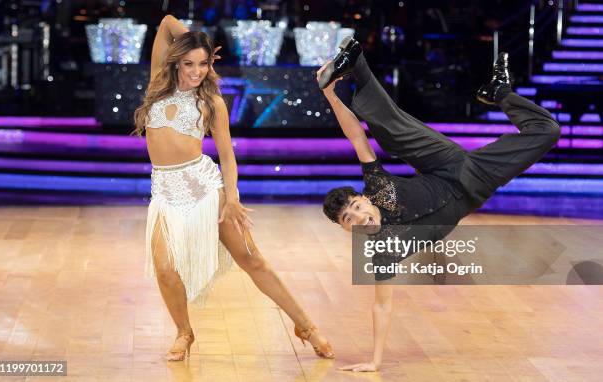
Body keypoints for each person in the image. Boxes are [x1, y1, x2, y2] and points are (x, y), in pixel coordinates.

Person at [318, 38, 561, 372]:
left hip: (446, 163)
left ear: (362, 199)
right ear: (346, 229)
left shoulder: (376, 186)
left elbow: (356, 137)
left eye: (355, 207)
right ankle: (499, 92)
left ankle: (354, 60)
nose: (358, 216)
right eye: (348, 218)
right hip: (476, 180)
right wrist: (374, 361)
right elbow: (382, 307)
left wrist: (330, 94)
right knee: (548, 130)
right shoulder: (383, 252)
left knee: (391, 129)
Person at [133, 15, 333, 361]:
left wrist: (233, 199)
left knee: (252, 260)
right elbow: (165, 22)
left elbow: (227, 155)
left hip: (205, 188)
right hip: (165, 191)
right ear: (176, 62)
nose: (197, 71)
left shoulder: (210, 103)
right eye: (190, 63)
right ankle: (184, 332)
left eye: (204, 63)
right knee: (165, 267)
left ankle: (306, 326)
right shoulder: (156, 87)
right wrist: (196, 39)